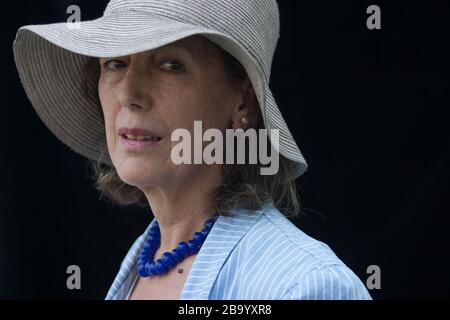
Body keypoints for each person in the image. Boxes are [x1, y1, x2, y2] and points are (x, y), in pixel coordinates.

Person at [13, 0, 372, 300]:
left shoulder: (303, 286)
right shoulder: (143, 261)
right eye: (116, 63)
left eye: (171, 65)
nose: (129, 94)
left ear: (243, 100)